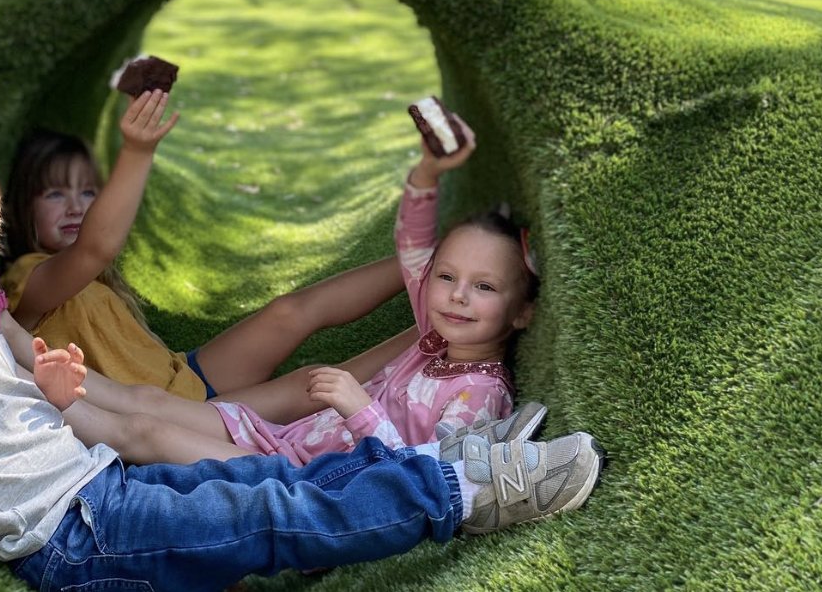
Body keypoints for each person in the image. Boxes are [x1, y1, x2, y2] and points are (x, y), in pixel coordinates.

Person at [0, 135, 605, 592]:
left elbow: (16, 344)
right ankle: (466, 488)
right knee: (272, 510)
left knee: (269, 483)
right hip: (74, 540)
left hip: (108, 485)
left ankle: (440, 461)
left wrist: (49, 379)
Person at [51, 111, 545, 467]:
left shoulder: (478, 394)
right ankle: (28, 365)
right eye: (447, 277)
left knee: (147, 433)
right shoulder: (434, 334)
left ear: (522, 312)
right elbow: (414, 246)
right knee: (152, 404)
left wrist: (360, 408)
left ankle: (44, 404)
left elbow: (425, 480)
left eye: (483, 286)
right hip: (284, 439)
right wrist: (427, 173)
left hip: (306, 481)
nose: (457, 295)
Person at [0, 88, 411, 405]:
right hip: (178, 415)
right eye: (55, 194)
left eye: (88, 192)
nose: (75, 206)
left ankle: (424, 263)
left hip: (187, 374)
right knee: (316, 385)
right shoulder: (27, 282)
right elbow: (95, 248)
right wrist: (138, 151)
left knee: (289, 311)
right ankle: (432, 338)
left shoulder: (94, 280)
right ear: (21, 206)